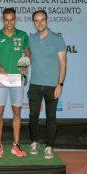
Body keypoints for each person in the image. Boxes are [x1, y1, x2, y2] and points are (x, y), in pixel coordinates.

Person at [0, 7, 30, 157]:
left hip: (17, 79)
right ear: (3, 20)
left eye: (12, 19)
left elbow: (27, 52)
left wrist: (25, 64)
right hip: (1, 78)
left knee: (17, 112)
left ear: (15, 20)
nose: (9, 22)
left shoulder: (23, 35)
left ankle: (16, 145)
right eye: (6, 20)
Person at [28, 10, 67, 159]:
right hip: (35, 85)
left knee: (51, 117)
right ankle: (35, 141)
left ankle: (50, 146)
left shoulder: (58, 38)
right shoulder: (31, 39)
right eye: (36, 21)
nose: (39, 23)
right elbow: (26, 57)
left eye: (42, 20)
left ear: (47, 21)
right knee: (33, 116)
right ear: (34, 23)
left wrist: (60, 85)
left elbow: (63, 64)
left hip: (52, 86)